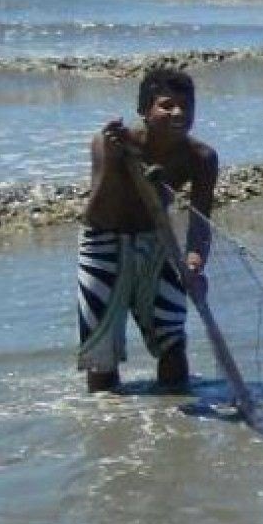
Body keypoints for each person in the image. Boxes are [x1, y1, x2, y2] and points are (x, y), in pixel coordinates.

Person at [77, 66, 219, 393]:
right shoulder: (108, 142)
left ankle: (174, 418)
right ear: (145, 110)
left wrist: (195, 263)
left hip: (156, 241)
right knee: (102, 352)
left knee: (172, 340)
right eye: (167, 105)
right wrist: (117, 160)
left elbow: (200, 221)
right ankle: (106, 417)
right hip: (103, 241)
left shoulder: (201, 158)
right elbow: (99, 204)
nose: (178, 113)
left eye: (186, 106)